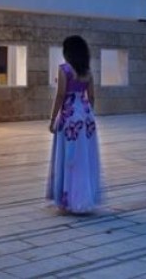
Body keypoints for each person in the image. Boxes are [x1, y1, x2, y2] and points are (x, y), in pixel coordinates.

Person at [46, 35, 102, 214]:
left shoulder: (64, 69)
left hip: (69, 117)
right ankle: (83, 197)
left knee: (68, 158)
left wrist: (52, 119)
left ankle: (67, 199)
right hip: (85, 116)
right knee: (84, 158)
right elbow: (91, 96)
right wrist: (87, 113)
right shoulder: (88, 72)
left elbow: (60, 95)